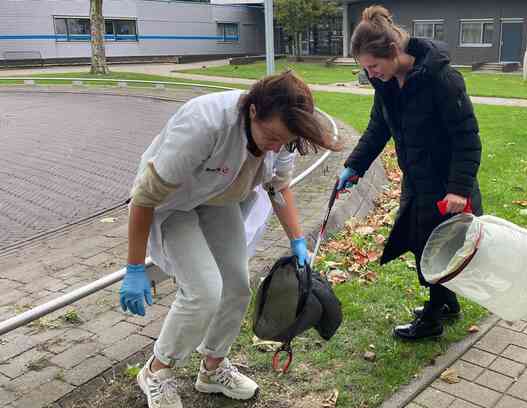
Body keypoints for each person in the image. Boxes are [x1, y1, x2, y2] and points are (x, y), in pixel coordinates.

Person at [119, 71, 340, 408]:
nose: (277, 146)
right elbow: (144, 198)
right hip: (172, 204)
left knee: (236, 285)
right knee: (204, 292)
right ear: (253, 111)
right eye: (272, 136)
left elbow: (278, 186)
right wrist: (134, 268)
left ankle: (212, 367)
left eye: (285, 141)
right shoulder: (204, 125)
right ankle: (156, 371)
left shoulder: (283, 137)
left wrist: (297, 240)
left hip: (219, 199)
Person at [336, 6, 482, 341]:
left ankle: (432, 319)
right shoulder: (385, 84)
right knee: (420, 244)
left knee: (437, 246)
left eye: (373, 66)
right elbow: (378, 128)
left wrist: (459, 189)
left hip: (447, 186)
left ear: (394, 52)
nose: (371, 74)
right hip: (416, 180)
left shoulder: (441, 79)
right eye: (365, 69)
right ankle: (447, 304)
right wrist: (354, 165)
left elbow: (467, 137)